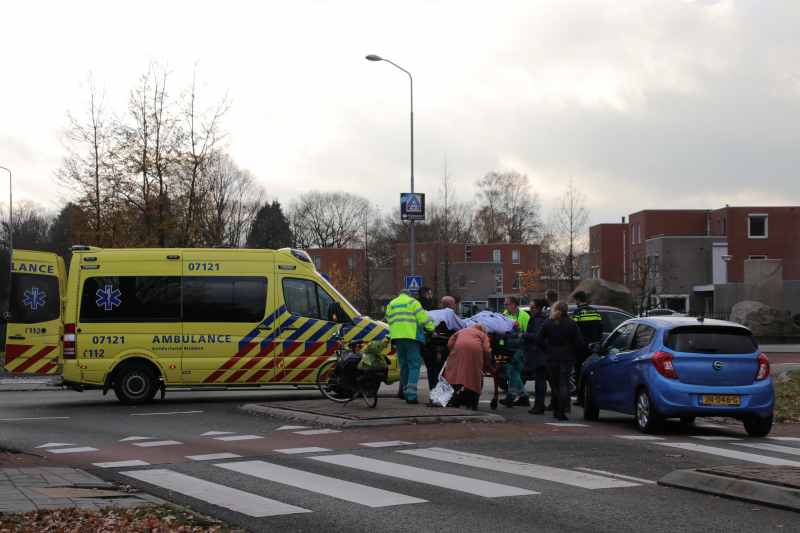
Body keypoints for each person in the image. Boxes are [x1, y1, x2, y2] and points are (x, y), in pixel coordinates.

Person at [535, 300, 584, 421]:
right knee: (564, 383)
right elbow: (579, 342)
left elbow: (538, 339)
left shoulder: (548, 323)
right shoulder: (571, 324)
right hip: (567, 357)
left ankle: (555, 408)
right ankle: (561, 411)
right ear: (566, 310)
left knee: (555, 383)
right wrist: (575, 353)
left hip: (552, 357)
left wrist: (547, 350)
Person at [386, 289, 436, 404]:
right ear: (409, 295)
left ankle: (404, 391)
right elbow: (423, 318)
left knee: (403, 366)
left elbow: (389, 319)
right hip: (411, 338)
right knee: (414, 365)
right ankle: (411, 395)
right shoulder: (413, 302)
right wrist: (432, 330)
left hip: (397, 339)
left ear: (399, 294)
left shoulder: (391, 304)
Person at [443, 323, 492, 410]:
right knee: (475, 378)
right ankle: (474, 405)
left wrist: (455, 352)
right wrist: (486, 363)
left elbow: (450, 344)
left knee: (454, 376)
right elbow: (487, 350)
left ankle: (449, 400)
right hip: (475, 352)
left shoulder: (461, 331)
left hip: (458, 350)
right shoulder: (482, 335)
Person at [571, 291, 604, 407]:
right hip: (594, 346)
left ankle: (580, 398)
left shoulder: (578, 313)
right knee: (593, 371)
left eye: (575, 301)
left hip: (581, 346)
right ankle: (591, 396)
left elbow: (574, 329)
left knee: (580, 371)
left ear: (578, 300)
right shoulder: (595, 312)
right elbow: (601, 329)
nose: (575, 303)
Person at [499, 296, 531, 407]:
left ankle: (510, 397)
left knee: (514, 371)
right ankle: (524, 396)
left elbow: (528, 334)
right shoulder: (505, 314)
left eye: (506, 304)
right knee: (511, 372)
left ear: (513, 305)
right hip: (509, 348)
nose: (504, 307)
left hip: (520, 348)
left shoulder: (524, 316)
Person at [520, 298, 549, 414]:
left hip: (538, 352)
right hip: (538, 352)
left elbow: (537, 335)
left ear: (539, 308)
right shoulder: (539, 318)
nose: (530, 309)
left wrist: (524, 335)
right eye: (530, 307)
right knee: (538, 378)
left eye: (533, 308)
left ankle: (540, 403)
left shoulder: (538, 320)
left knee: (540, 379)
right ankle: (538, 403)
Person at [416, 287, 441, 395]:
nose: (431, 296)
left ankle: (404, 391)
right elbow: (434, 323)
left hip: (415, 339)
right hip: (430, 340)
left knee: (411, 366)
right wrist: (433, 332)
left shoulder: (414, 306)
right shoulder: (432, 308)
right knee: (431, 367)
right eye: (430, 294)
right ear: (427, 295)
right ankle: (433, 390)